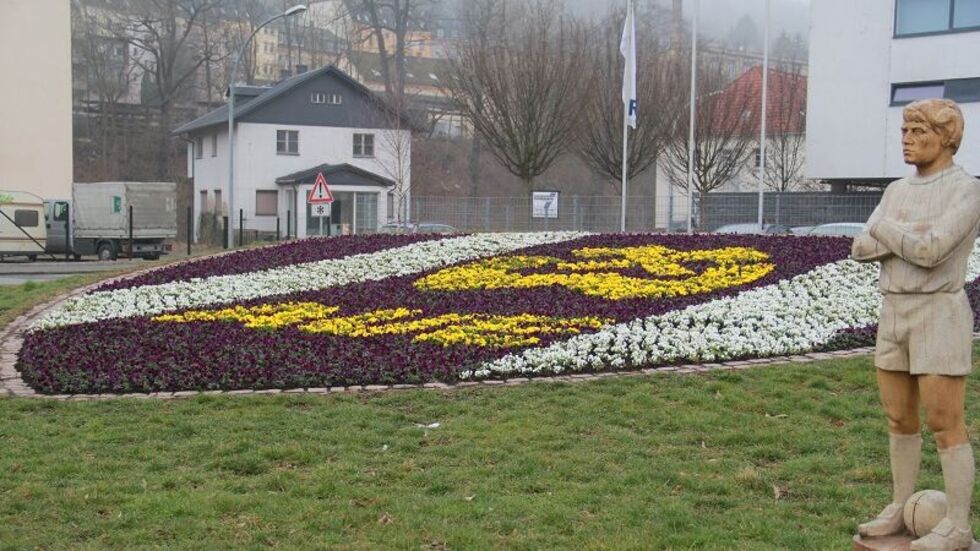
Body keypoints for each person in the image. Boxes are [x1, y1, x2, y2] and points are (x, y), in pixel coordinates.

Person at [852, 98, 980, 551]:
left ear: (945, 138)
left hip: (938, 312)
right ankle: (900, 505)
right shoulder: (896, 191)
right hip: (895, 310)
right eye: (904, 132)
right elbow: (859, 247)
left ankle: (958, 525)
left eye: (917, 132)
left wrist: (887, 231)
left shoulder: (966, 189)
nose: (907, 140)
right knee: (898, 417)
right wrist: (903, 234)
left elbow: (933, 252)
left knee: (946, 420)